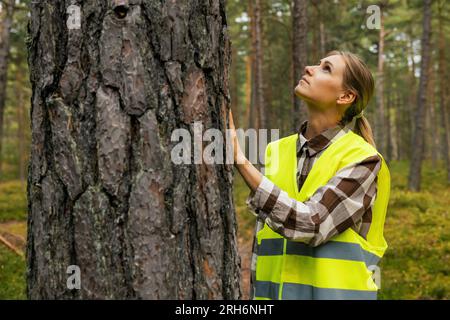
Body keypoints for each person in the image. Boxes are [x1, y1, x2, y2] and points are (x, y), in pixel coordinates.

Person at [228, 50, 391, 300]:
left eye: (326, 68)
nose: (308, 68)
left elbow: (313, 224)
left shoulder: (363, 159)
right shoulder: (276, 151)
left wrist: (240, 160)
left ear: (346, 96)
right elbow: (262, 245)